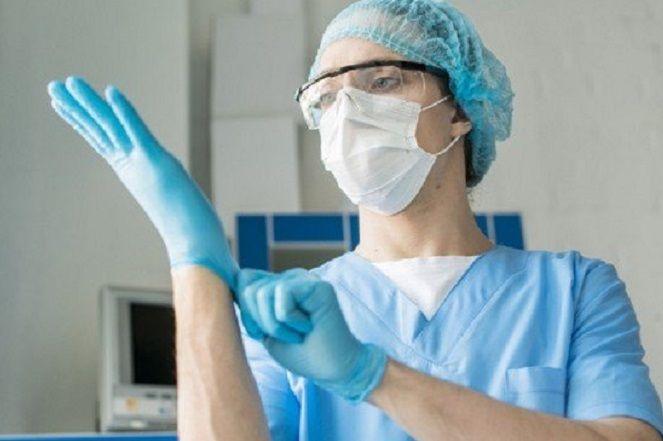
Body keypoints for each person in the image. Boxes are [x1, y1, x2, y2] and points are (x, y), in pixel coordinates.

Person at [48, 1, 663, 440]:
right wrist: (194, 263)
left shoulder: (573, 289)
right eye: (325, 98)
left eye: (382, 80)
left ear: (461, 110)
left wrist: (371, 376)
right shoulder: (287, 317)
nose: (347, 112)